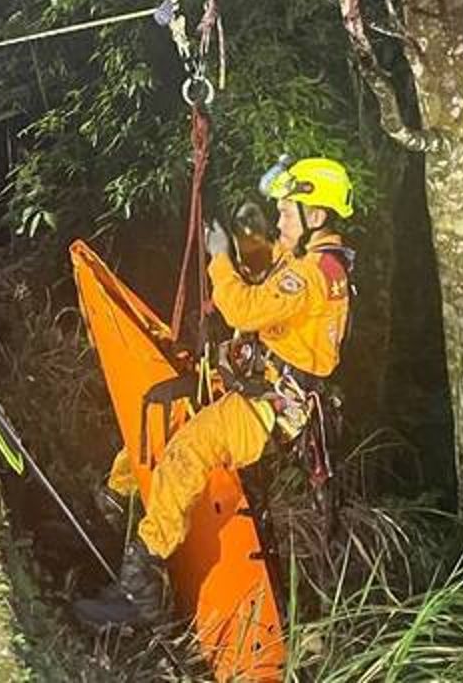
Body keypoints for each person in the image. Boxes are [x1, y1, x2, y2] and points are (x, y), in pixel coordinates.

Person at [74, 156, 356, 630]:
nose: (280, 220)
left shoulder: (311, 275)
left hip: (272, 404)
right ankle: (115, 506)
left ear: (316, 216)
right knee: (159, 419)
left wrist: (220, 259)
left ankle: (141, 589)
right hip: (254, 383)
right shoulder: (316, 261)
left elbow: (244, 310)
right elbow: (272, 271)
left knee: (188, 451)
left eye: (287, 212)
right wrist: (245, 236)